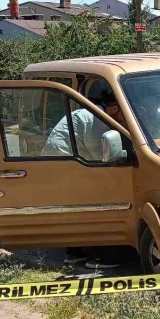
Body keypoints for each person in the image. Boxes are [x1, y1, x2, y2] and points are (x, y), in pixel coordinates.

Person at [50, 89, 127, 270]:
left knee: (75, 208)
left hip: (58, 164)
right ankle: (98, 256)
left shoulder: (89, 114)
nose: (125, 119)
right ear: (115, 108)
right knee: (97, 205)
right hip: (66, 164)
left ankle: (75, 252)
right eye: (125, 112)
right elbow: (101, 157)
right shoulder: (97, 120)